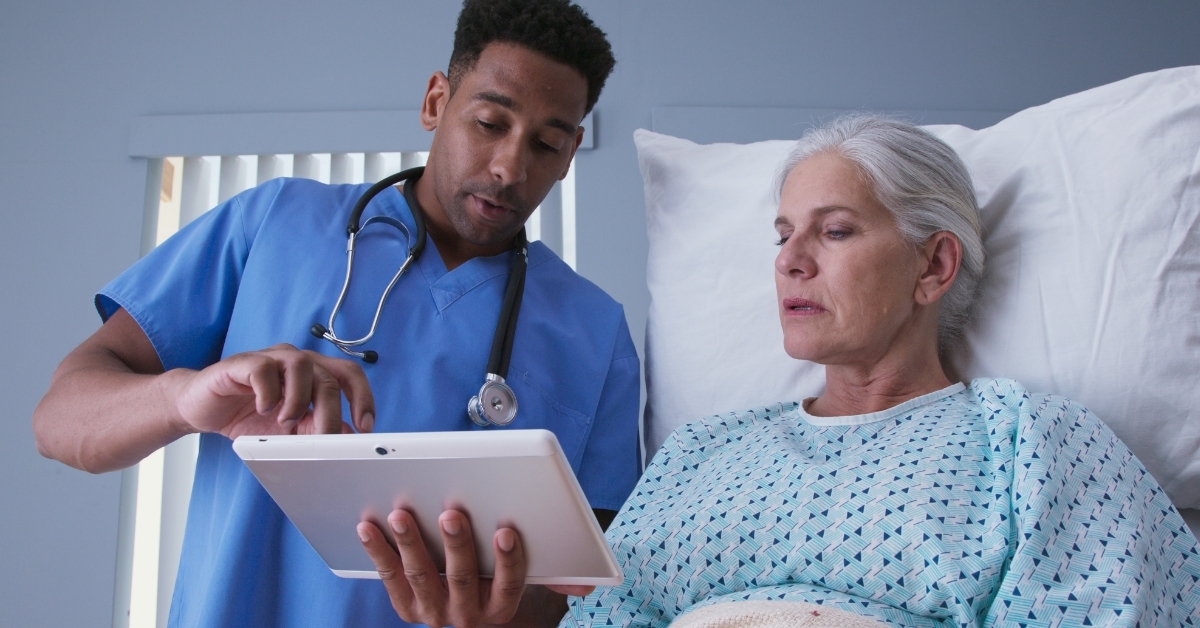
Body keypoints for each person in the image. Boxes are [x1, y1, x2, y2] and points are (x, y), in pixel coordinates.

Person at [32, 1, 640, 626]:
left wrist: (503, 614)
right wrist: (183, 400)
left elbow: (599, 594)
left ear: (570, 156)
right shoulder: (274, 222)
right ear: (436, 102)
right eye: (489, 122)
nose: (510, 167)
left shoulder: (596, 333)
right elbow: (58, 420)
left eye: (546, 143)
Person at [556, 116, 1200, 626]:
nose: (790, 261)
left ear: (933, 267)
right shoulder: (701, 451)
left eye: (834, 230)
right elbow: (605, 614)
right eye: (782, 237)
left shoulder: (1033, 441)